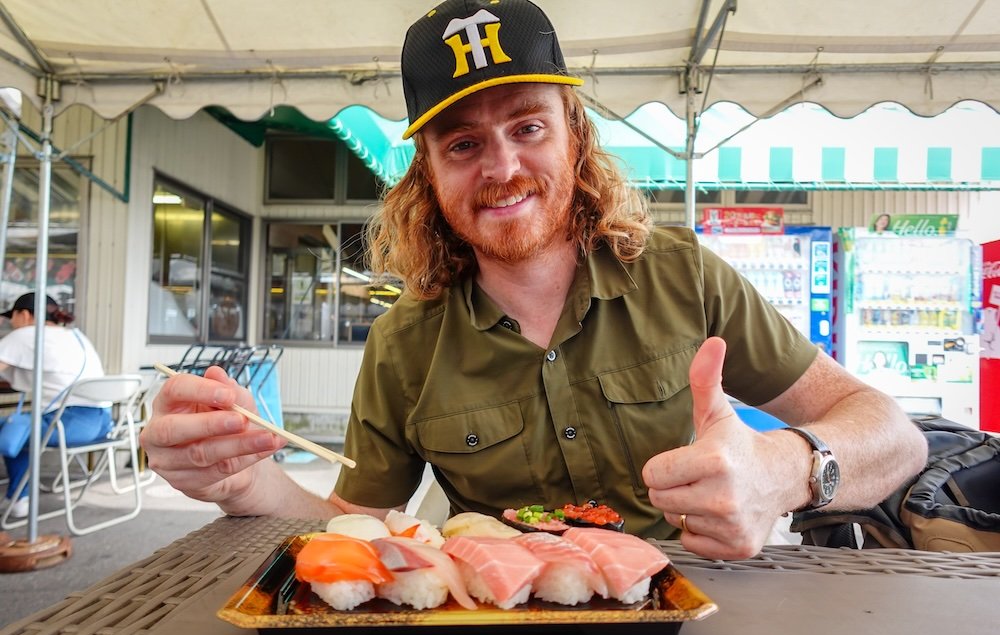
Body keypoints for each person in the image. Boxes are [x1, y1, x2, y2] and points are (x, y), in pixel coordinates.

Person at [140, 0, 926, 560]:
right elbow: (358, 521)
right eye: (462, 143)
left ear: (575, 137)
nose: (503, 167)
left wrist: (784, 472)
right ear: (430, 176)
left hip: (691, 620)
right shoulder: (403, 345)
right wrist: (249, 481)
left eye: (528, 126)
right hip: (489, 628)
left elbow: (894, 435)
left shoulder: (683, 277)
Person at [0, 293, 110, 519]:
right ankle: (18, 495)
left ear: (24, 315)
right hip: (102, 424)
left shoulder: (25, 334)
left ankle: (19, 497)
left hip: (67, 425)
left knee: (9, 427)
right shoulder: (76, 336)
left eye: (12, 316)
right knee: (21, 427)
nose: (11, 323)